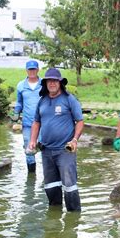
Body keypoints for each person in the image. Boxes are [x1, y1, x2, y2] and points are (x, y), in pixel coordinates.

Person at [28, 68, 84, 212]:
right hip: (46, 151)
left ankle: (73, 219)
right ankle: (54, 217)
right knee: (50, 186)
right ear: (45, 83)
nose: (52, 83)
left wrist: (75, 140)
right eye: (49, 81)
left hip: (65, 150)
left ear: (60, 83)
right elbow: (36, 122)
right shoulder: (42, 101)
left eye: (55, 80)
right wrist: (32, 140)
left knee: (69, 186)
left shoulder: (68, 99)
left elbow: (80, 121)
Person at [12, 60, 42, 173]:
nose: (32, 71)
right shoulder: (21, 85)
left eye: (34, 69)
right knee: (28, 148)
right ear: (26, 70)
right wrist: (16, 113)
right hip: (28, 123)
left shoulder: (44, 84)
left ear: (38, 70)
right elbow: (19, 102)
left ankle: (49, 176)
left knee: (45, 147)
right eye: (30, 69)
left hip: (44, 123)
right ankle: (31, 174)